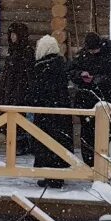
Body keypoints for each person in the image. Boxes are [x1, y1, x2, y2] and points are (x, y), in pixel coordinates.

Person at [68, 32, 111, 167]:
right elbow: (71, 70)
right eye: (90, 50)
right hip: (86, 100)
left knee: (103, 134)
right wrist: (80, 75)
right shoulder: (84, 54)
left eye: (95, 50)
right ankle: (89, 165)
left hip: (104, 99)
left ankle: (101, 165)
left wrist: (96, 80)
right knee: (86, 134)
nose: (92, 52)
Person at [26, 35, 72, 189]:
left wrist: (33, 100)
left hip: (46, 111)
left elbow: (37, 90)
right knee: (58, 142)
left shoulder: (42, 66)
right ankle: (58, 176)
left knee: (46, 143)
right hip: (60, 112)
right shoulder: (60, 64)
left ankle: (51, 176)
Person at [0, 22, 34, 154]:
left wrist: (25, 89)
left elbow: (28, 73)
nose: (12, 37)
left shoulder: (27, 51)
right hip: (10, 89)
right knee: (10, 116)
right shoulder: (12, 50)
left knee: (20, 116)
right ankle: (12, 143)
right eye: (11, 34)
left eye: (14, 34)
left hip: (20, 90)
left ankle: (21, 144)